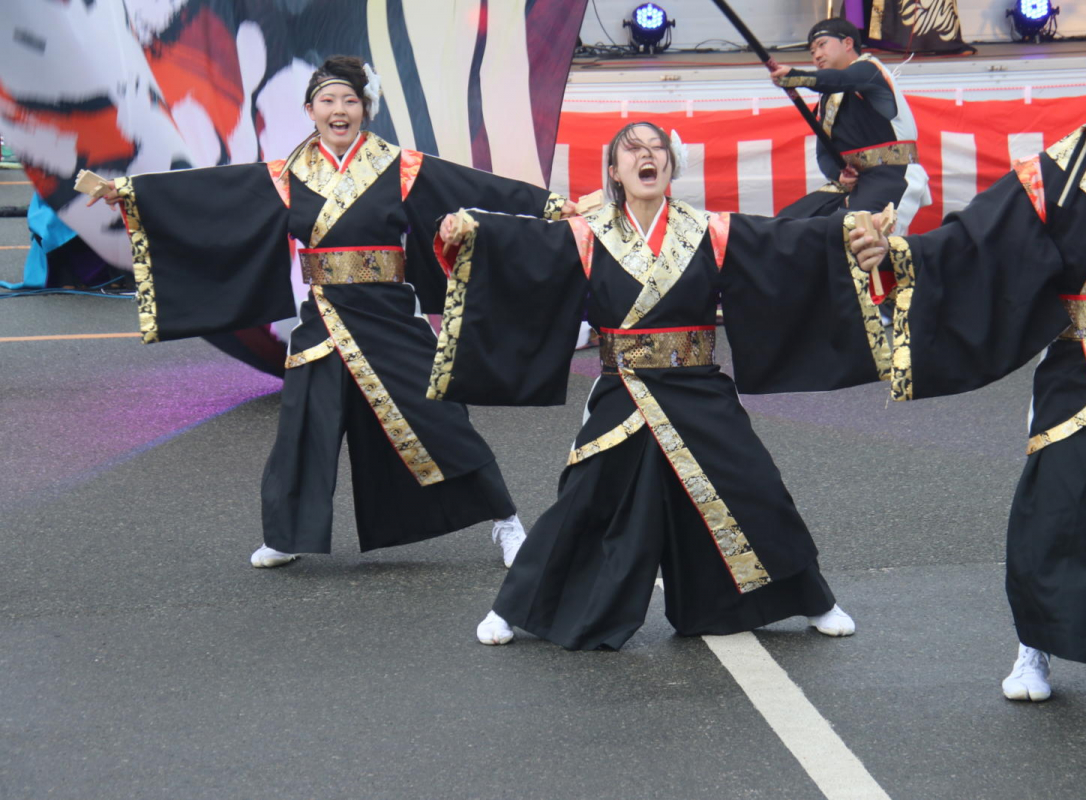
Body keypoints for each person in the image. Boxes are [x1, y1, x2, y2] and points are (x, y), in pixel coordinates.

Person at [91, 56, 572, 569]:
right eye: (328, 101)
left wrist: (547, 205)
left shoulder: (398, 166)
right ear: (310, 110)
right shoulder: (290, 172)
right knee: (303, 426)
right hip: (322, 316)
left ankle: (506, 522)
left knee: (440, 418)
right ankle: (286, 533)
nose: (339, 110)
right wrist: (128, 193)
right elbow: (213, 192)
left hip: (389, 313)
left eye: (349, 101)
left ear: (364, 110)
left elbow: (474, 189)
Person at [432, 121, 895, 650]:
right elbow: (523, 247)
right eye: (633, 150)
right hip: (623, 388)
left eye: (657, 150)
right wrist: (470, 233)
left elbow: (781, 243)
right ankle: (511, 608)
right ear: (615, 171)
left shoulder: (706, 229)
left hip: (697, 384)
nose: (647, 156)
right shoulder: (589, 231)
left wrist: (844, 229)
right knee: (584, 502)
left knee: (754, 487)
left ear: (670, 168)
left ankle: (814, 600)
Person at [850, 14, 1086, 700]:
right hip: (1084, 370)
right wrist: (897, 256)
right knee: (1058, 506)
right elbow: (973, 241)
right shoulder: (1053, 175)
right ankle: (1032, 649)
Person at [770, 18, 930, 234]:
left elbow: (840, 79)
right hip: (855, 185)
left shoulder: (870, 71)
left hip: (891, 175)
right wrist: (839, 173)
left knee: (859, 233)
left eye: (822, 44)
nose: (816, 55)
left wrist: (796, 77)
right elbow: (824, 153)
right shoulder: (829, 98)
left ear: (847, 43)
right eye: (811, 51)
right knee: (787, 226)